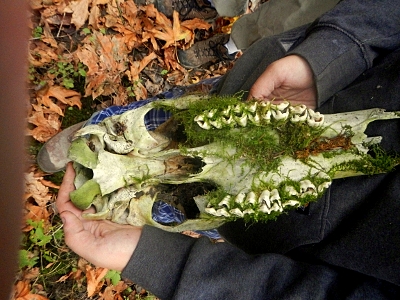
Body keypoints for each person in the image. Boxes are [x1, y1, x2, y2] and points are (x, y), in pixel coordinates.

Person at [55, 0, 400, 298]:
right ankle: (110, 131)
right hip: (279, 90)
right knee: (178, 119)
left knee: (183, 202)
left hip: (266, 219)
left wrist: (165, 263)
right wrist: (332, 54)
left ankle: (136, 187)